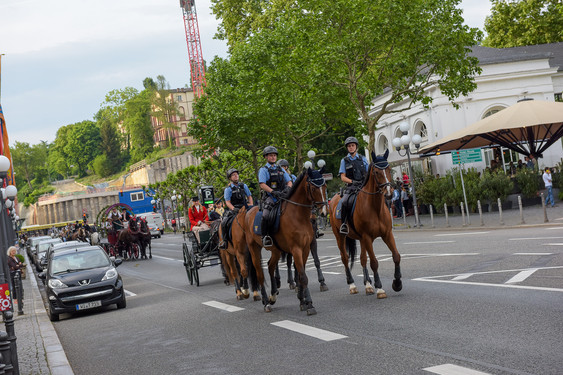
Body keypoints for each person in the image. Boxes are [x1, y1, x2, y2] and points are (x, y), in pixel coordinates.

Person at [258, 146, 292, 247]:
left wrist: (288, 188)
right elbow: (262, 184)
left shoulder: (280, 169)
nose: (273, 157)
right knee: (265, 215)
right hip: (271, 197)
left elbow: (289, 181)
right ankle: (265, 236)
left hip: (283, 195)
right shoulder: (263, 170)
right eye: (270, 156)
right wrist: (273, 192)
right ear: (266, 157)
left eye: (274, 155)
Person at [338, 136, 369, 234]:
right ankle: (344, 224)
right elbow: (343, 177)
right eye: (349, 146)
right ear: (347, 148)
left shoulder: (363, 159)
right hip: (352, 187)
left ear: (356, 147)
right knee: (344, 202)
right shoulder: (344, 160)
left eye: (353, 145)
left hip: (364, 185)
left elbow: (368, 173)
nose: (351, 147)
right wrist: (352, 181)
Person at [219, 168, 254, 249]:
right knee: (224, 222)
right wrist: (233, 208)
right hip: (234, 209)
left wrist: (251, 204)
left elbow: (249, 196)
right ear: (230, 178)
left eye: (237, 174)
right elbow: (227, 202)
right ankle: (224, 241)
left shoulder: (243, 186)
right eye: (233, 175)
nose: (236, 176)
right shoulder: (228, 189)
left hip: (245, 207)